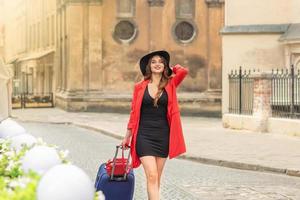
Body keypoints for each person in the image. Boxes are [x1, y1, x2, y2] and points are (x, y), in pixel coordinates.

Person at [121, 50, 188, 200]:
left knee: (156, 178)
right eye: (153, 62)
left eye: (161, 62)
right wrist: (127, 137)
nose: (157, 64)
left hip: (163, 136)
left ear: (165, 66)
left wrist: (171, 68)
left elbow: (183, 71)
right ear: (148, 66)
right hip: (144, 136)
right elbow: (133, 113)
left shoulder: (170, 84)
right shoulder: (139, 87)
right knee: (151, 175)